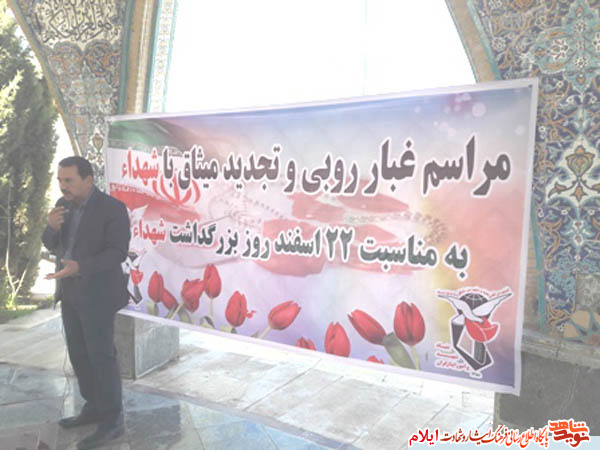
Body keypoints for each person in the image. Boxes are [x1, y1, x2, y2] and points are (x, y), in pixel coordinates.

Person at [42, 156, 130, 450]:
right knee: (79, 355)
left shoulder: (113, 209)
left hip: (98, 294)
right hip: (69, 293)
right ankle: (93, 407)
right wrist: (51, 227)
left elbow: (117, 252)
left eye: (69, 180)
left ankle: (113, 420)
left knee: (101, 356)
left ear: (88, 180)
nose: (63, 186)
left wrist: (81, 267)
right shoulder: (62, 205)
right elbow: (50, 243)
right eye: (60, 180)